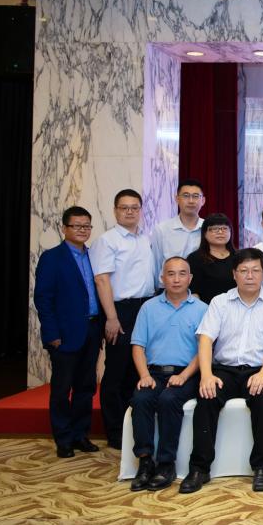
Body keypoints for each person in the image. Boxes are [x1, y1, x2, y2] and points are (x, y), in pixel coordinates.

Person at [179, 248, 263, 494]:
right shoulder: (220, 302)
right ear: (234, 274)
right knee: (206, 397)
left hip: (258, 369)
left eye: (255, 270)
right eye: (244, 270)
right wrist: (206, 375)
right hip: (224, 369)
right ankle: (199, 469)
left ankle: (262, 468)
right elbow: (206, 339)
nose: (250, 276)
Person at [128, 257, 207, 491]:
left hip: (187, 373)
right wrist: (144, 375)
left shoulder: (202, 309)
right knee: (140, 399)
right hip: (153, 372)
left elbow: (204, 350)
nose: (176, 279)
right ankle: (145, 462)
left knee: (169, 399)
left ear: (190, 278)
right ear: (162, 278)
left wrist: (184, 376)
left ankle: (165, 464)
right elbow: (138, 346)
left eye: (182, 274)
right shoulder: (149, 307)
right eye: (170, 274)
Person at [33, 206, 102, 458]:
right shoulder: (52, 258)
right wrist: (52, 334)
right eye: (77, 226)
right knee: (62, 389)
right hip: (64, 335)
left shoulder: (95, 256)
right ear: (64, 228)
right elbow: (43, 299)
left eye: (87, 226)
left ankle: (80, 434)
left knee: (86, 387)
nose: (82, 230)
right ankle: (63, 439)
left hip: (92, 330)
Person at [90, 189, 156, 449]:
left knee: (135, 369)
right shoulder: (107, 240)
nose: (130, 212)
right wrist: (111, 317)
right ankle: (115, 431)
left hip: (145, 307)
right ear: (115, 210)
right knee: (116, 371)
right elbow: (101, 279)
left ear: (140, 210)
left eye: (134, 207)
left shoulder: (144, 239)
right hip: (120, 310)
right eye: (124, 207)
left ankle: (133, 427)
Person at [150, 178, 205, 280]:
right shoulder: (162, 229)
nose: (191, 201)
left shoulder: (209, 229)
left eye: (195, 196)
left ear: (203, 201)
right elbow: (155, 264)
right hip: (169, 287)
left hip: (201, 286)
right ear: (177, 199)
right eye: (186, 196)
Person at [185, 213, 236, 305]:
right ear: (204, 233)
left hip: (237, 308)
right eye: (215, 229)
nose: (220, 232)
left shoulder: (239, 257)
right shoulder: (195, 259)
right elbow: (193, 291)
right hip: (206, 309)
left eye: (224, 228)